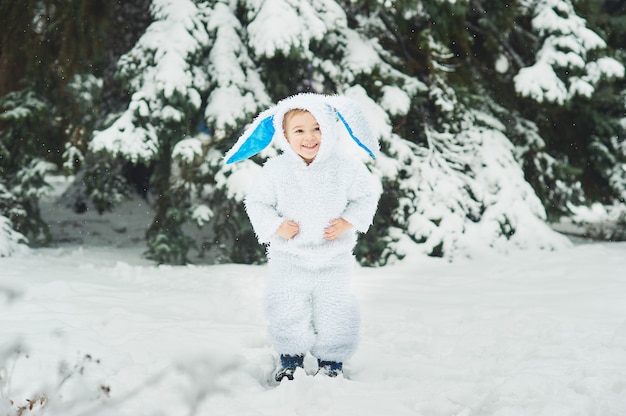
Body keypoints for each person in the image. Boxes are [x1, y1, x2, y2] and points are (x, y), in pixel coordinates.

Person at [224, 93, 380, 381]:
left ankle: (332, 359)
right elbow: (257, 203)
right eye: (299, 130)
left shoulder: (345, 168)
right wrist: (275, 225)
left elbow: (367, 197)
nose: (310, 137)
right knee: (286, 305)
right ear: (284, 135)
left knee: (335, 309)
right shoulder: (276, 170)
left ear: (330, 129)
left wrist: (348, 222)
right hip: (289, 258)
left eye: (317, 127)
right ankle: (290, 356)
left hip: (333, 257)